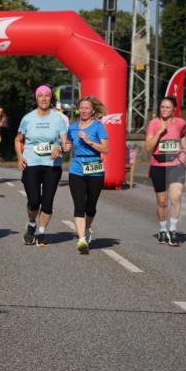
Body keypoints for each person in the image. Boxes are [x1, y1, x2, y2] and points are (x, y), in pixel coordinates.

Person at [15, 85, 70, 247]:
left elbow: (66, 144)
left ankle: (41, 232)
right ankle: (32, 222)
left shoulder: (58, 119)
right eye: (41, 96)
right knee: (33, 201)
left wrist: (60, 148)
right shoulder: (28, 118)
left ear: (50, 98)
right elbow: (18, 140)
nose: (44, 98)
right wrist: (19, 158)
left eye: (47, 95)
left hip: (52, 165)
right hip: (31, 163)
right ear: (36, 98)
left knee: (47, 202)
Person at [65, 96, 109, 254]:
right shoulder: (73, 127)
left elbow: (105, 149)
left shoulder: (98, 126)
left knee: (90, 206)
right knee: (79, 205)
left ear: (92, 110)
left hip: (94, 168)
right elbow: (68, 145)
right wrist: (64, 146)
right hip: (76, 168)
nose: (83, 110)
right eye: (81, 107)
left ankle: (88, 227)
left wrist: (89, 141)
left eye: (86, 108)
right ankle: (82, 239)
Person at [144, 96, 186, 247]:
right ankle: (163, 229)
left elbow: (182, 134)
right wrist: (159, 132)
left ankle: (173, 230)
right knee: (162, 202)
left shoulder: (180, 123)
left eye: (167, 107)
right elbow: (148, 147)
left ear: (174, 110)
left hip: (176, 164)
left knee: (176, 197)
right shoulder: (154, 123)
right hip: (158, 165)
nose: (164, 110)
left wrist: (184, 148)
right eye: (162, 107)